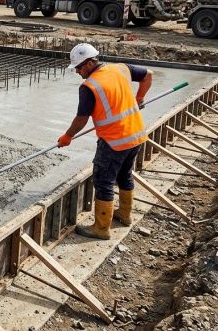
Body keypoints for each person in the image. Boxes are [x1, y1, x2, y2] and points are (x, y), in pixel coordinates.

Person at [57, 43, 152, 240]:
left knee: (103, 181)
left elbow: (81, 119)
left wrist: (68, 136)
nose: (77, 72)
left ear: (91, 63)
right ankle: (125, 216)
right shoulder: (121, 68)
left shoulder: (89, 86)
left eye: (79, 67)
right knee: (125, 175)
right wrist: (140, 97)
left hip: (113, 141)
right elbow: (148, 75)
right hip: (136, 134)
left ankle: (101, 228)